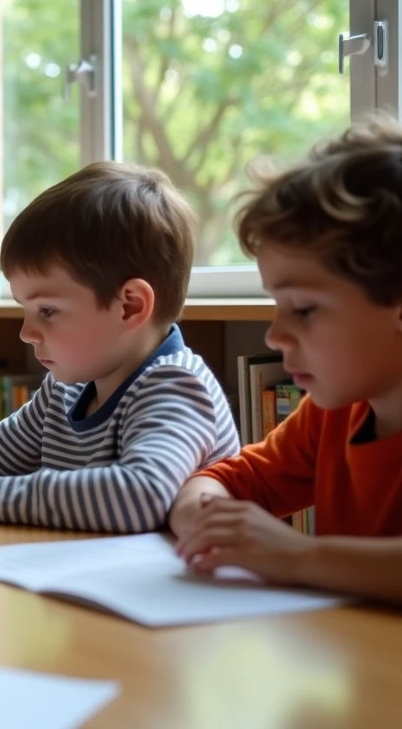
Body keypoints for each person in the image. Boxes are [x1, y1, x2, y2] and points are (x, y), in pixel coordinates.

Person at [0, 162, 240, 531]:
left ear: (131, 306)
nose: (27, 333)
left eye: (47, 311)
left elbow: (138, 496)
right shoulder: (66, 390)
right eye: (26, 309)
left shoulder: (177, 387)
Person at [171, 118, 402, 603]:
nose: (275, 336)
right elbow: (223, 480)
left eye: (303, 308)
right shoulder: (330, 415)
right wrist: (205, 516)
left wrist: (299, 557)